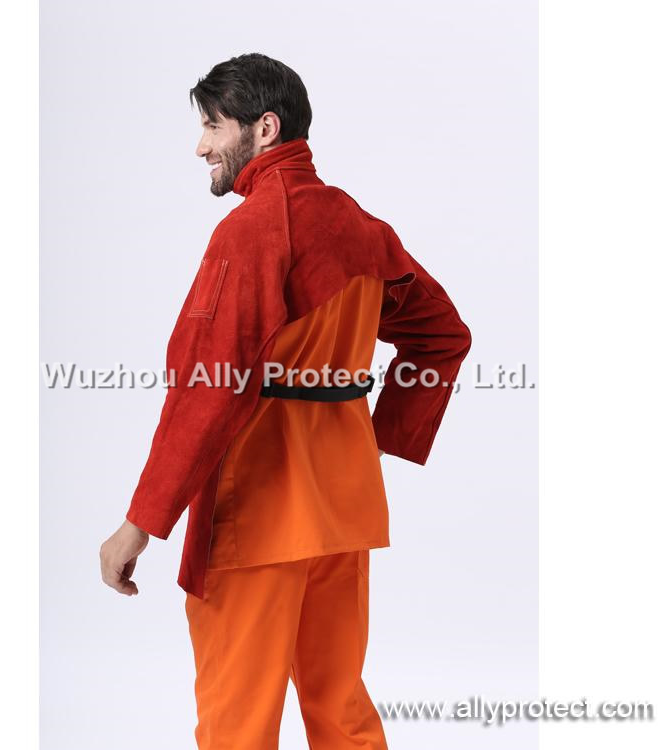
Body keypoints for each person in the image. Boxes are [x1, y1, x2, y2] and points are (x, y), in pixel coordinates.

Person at [100, 52, 472, 750]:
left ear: (264, 128)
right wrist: (375, 438)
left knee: (238, 723)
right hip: (343, 509)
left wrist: (141, 523)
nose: (201, 146)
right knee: (341, 712)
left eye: (213, 126)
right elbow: (444, 335)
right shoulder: (361, 227)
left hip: (260, 515)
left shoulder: (251, 231)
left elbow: (206, 391)